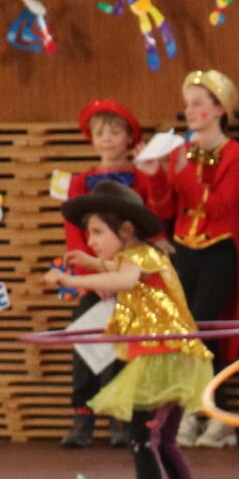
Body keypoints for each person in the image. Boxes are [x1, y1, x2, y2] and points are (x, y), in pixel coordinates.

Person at [44, 182, 212, 479]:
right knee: (164, 441)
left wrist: (74, 279)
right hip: (170, 357)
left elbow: (123, 278)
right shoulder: (140, 256)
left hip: (160, 360)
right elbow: (120, 269)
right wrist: (93, 263)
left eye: (98, 232)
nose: (90, 240)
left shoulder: (142, 257)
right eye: (88, 233)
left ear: (126, 230)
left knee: (141, 440)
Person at [136, 69, 239, 448]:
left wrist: (185, 174)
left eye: (198, 104)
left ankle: (210, 416)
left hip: (218, 249)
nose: (190, 111)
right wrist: (155, 176)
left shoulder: (236, 155)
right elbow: (165, 209)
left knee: (205, 331)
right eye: (187, 104)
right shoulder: (178, 154)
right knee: (183, 334)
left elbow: (222, 206)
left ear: (220, 109)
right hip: (184, 249)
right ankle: (198, 412)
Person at [59, 98, 149, 449]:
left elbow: (153, 222)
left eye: (115, 131)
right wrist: (91, 276)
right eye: (100, 133)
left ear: (129, 137)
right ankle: (83, 414)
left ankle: (122, 415)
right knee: (86, 343)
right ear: (91, 139)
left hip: (130, 275)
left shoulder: (142, 177)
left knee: (128, 348)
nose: (107, 138)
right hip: (93, 282)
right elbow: (73, 233)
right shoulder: (81, 181)